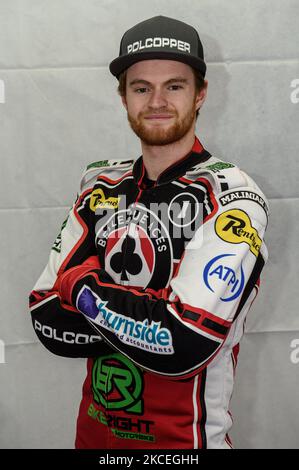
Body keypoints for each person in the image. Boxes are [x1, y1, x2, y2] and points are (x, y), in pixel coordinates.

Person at [29, 15, 269, 449]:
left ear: (201, 94)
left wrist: (80, 287)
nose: (157, 100)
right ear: (123, 98)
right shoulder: (99, 185)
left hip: (187, 445)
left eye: (174, 86)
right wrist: (152, 311)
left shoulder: (231, 194)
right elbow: (46, 319)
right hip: (93, 440)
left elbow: (183, 343)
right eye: (141, 88)